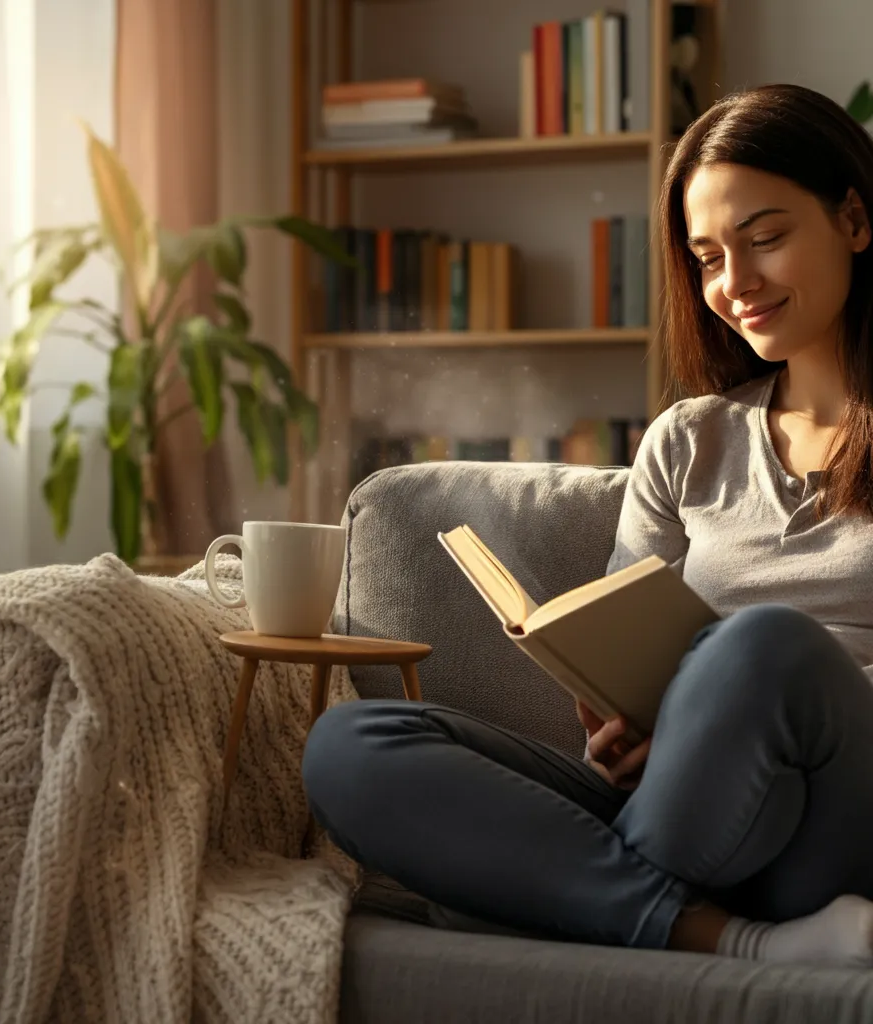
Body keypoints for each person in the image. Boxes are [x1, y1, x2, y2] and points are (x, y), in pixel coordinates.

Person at [301, 83, 873, 966]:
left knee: (766, 648)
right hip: (690, 805)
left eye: (764, 238)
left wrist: (738, 695)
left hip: (838, 804)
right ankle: (729, 940)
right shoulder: (689, 441)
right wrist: (622, 733)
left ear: (856, 220)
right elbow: (621, 654)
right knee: (352, 745)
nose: (735, 283)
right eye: (708, 256)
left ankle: (534, 894)